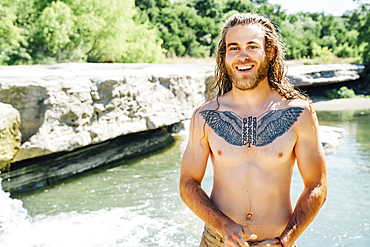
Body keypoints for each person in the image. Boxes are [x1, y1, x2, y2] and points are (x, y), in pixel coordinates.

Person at [179, 13, 327, 247]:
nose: (242, 56)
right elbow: (188, 183)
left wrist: (285, 241)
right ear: (224, 56)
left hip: (278, 243)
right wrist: (224, 226)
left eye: (252, 46)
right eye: (234, 48)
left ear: (270, 52)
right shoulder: (206, 115)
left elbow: (316, 185)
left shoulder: (300, 112)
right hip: (216, 241)